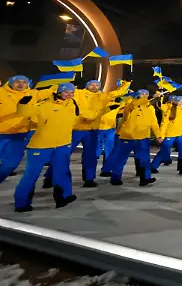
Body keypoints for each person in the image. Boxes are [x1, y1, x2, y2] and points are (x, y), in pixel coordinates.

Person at [15, 83, 113, 212]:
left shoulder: (74, 106)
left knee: (63, 172)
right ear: (59, 92)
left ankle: (63, 197)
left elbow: (92, 115)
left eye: (71, 93)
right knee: (31, 175)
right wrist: (22, 103)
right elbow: (25, 112)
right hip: (40, 146)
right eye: (66, 92)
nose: (69, 95)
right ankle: (22, 203)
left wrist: (109, 108)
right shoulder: (44, 105)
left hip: (62, 145)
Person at [43, 79, 131, 189]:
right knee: (63, 154)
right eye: (91, 85)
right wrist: (70, 82)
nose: (94, 87)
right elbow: (61, 92)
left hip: (92, 130)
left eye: (96, 85)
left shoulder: (103, 96)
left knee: (90, 156)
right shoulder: (79, 93)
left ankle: (89, 179)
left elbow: (118, 92)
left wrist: (127, 82)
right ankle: (50, 177)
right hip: (75, 128)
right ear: (86, 85)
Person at [0, 75, 57, 184]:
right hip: (1, 133)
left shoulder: (33, 94)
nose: (21, 84)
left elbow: (51, 91)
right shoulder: (1, 92)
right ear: (10, 83)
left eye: (24, 82)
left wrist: (67, 79)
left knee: (10, 165)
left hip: (19, 135)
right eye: (17, 82)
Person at [105, 89, 158, 186]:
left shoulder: (150, 108)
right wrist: (151, 97)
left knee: (144, 159)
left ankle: (145, 178)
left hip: (143, 137)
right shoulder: (130, 106)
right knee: (122, 158)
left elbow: (154, 122)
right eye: (142, 94)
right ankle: (115, 177)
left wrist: (158, 135)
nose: (145, 96)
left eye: (147, 94)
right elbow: (133, 106)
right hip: (128, 137)